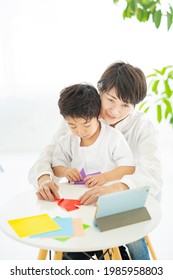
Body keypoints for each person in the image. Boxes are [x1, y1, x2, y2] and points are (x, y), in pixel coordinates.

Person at [28, 61, 162, 260]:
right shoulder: (82, 117)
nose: (115, 111)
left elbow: (152, 176)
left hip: (127, 197)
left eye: (125, 105)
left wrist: (114, 188)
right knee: (69, 236)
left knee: (132, 239)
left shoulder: (142, 127)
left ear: (134, 105)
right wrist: (45, 179)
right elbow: (49, 154)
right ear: (100, 89)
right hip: (85, 195)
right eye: (110, 100)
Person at [52, 83, 135, 187]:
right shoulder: (68, 140)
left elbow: (129, 167)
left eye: (87, 125)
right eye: (73, 126)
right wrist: (65, 171)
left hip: (106, 192)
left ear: (99, 115)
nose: (80, 132)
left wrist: (104, 177)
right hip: (76, 193)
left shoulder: (113, 138)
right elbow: (56, 165)